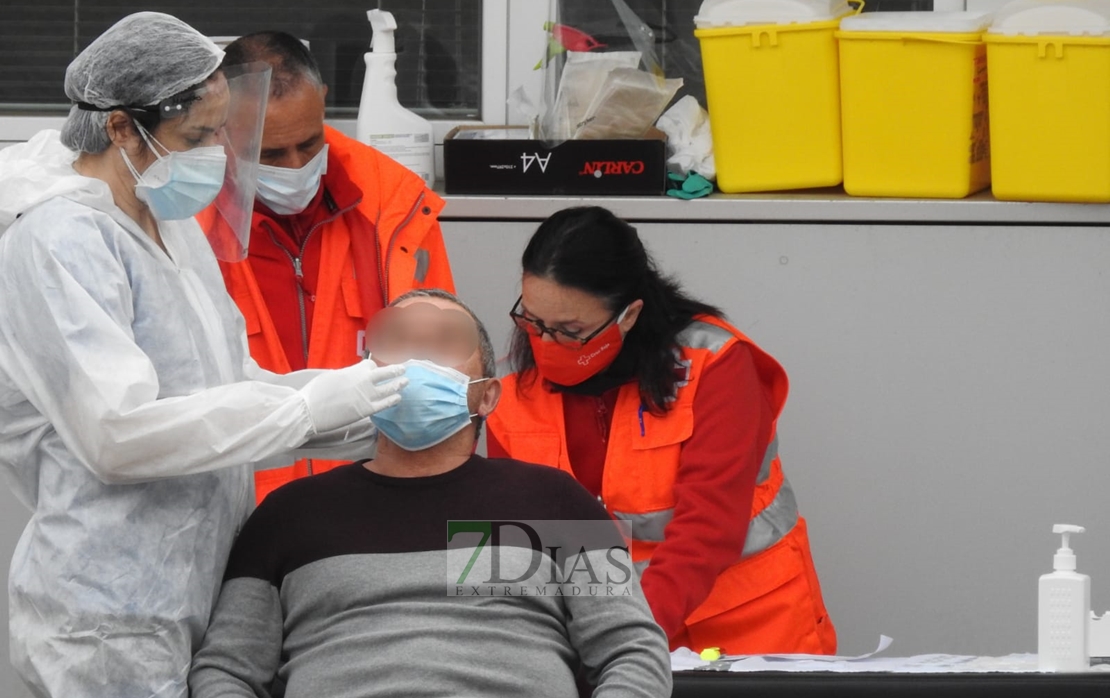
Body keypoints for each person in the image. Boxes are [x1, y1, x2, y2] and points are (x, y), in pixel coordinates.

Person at [0, 13, 408, 698]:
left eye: (221, 132)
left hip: (196, 589)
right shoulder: (58, 240)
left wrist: (365, 410)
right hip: (107, 617)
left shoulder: (171, 224)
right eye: (196, 136)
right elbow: (119, 436)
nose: (217, 154)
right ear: (122, 127)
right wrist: (310, 407)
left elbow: (224, 385)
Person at [189, 288, 672, 698]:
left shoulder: (561, 502)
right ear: (360, 377)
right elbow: (226, 670)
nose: (417, 358)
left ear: (486, 395)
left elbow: (632, 650)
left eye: (446, 342)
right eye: (396, 340)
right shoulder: (287, 514)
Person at [487, 206, 837, 655]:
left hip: (746, 625)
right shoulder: (513, 388)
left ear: (628, 316)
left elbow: (708, 526)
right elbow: (512, 535)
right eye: (533, 321)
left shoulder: (714, 365)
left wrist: (625, 640)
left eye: (570, 330)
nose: (546, 343)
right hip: (608, 629)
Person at [211, 32, 455, 502]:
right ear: (219, 126)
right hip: (234, 504)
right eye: (270, 154)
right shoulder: (185, 224)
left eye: (309, 142)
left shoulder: (396, 210)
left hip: (368, 504)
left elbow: (440, 370)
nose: (297, 165)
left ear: (322, 101)